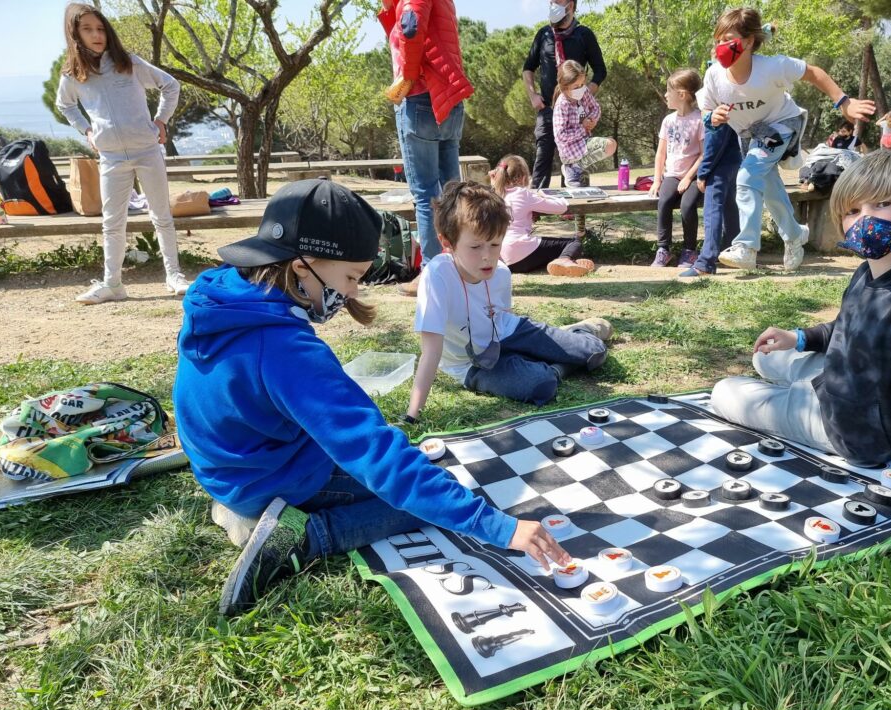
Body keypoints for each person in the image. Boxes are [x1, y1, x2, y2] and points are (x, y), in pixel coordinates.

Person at [172, 179, 571, 615]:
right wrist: (499, 527)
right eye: (351, 277)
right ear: (303, 266)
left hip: (224, 467)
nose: (352, 293)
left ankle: (246, 510)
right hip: (265, 478)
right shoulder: (285, 350)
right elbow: (375, 455)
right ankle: (305, 537)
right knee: (423, 501)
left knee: (418, 481)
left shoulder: (222, 292)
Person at [710, 150, 891, 536]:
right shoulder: (870, 271)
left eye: (881, 204)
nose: (865, 218)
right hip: (856, 384)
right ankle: (796, 383)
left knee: (725, 391)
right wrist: (799, 338)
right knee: (766, 359)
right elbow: (851, 328)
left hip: (859, 430)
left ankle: (795, 397)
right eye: (852, 210)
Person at [406, 181, 612, 419]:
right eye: (475, 246)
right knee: (541, 385)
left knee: (595, 352)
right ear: (447, 243)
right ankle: (551, 361)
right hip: (469, 363)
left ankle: (578, 332)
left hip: (506, 334)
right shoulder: (437, 276)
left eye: (495, 244)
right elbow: (431, 351)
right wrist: (413, 414)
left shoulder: (502, 272)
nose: (487, 256)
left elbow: (502, 316)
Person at [698, 7, 875, 272]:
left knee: (746, 176)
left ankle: (746, 246)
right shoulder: (714, 75)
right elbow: (705, 109)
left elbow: (814, 73)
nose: (721, 46)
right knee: (769, 188)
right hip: (750, 136)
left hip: (781, 126)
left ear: (748, 41)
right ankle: (794, 234)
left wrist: (844, 102)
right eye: (718, 40)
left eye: (728, 39)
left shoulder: (772, 67)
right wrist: (711, 117)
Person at [55, 3, 187, 305]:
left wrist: (160, 120)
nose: (96, 35)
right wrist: (87, 131)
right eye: (88, 29)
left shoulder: (128, 63)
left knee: (161, 216)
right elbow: (65, 105)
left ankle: (174, 276)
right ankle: (113, 284)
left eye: (100, 29)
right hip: (111, 157)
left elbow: (170, 85)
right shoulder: (73, 75)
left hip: (147, 150)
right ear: (75, 34)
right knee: (112, 222)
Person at [380, 0, 471, 297]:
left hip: (421, 98)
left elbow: (411, 27)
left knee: (426, 193)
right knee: (451, 191)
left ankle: (432, 273)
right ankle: (463, 264)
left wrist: (406, 76)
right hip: (449, 95)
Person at [522, 0, 607, 189]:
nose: (552, 4)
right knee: (543, 157)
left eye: (557, 1)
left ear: (571, 5)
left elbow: (600, 70)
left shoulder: (584, 34)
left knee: (577, 163)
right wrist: (532, 95)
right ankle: (537, 201)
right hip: (547, 109)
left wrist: (584, 95)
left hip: (576, 112)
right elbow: (528, 68)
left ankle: (577, 202)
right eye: (551, 2)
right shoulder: (543, 34)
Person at [491, 154, 594, 277]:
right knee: (574, 243)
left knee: (548, 250)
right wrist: (546, 196)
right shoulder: (522, 193)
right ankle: (564, 260)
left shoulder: (495, 194)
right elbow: (561, 207)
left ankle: (565, 261)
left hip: (503, 257)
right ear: (523, 177)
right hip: (521, 249)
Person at [649, 69, 704, 268]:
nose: (665, 95)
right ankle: (663, 249)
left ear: (681, 95)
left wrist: (688, 178)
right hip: (671, 175)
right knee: (664, 201)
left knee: (687, 206)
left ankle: (689, 251)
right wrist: (657, 180)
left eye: (668, 91)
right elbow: (660, 154)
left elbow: (704, 154)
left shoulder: (699, 119)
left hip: (693, 176)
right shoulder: (668, 121)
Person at [680, 123, 742, 277]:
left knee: (712, 211)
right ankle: (732, 253)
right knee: (730, 207)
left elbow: (715, 141)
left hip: (718, 166)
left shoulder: (714, 108)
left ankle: (705, 263)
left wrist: (703, 172)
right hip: (734, 161)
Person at [552, 60, 617, 188]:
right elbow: (560, 136)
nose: (581, 88)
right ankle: (572, 168)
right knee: (610, 145)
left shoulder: (584, 92)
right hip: (571, 151)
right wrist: (583, 127)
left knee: (582, 189)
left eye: (582, 84)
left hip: (584, 143)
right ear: (565, 87)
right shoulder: (562, 105)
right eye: (576, 86)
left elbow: (595, 108)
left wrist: (592, 120)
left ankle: (576, 169)